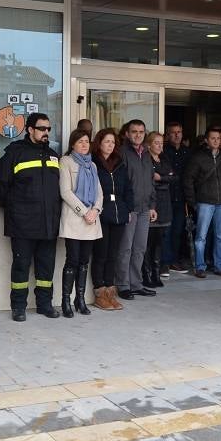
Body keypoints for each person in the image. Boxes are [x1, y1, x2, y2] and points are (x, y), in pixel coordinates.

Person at [0, 112, 62, 321]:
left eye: (48, 129)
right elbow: (0, 187)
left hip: (48, 223)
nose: (46, 133)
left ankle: (45, 304)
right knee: (21, 267)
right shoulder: (15, 153)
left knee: (46, 268)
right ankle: (18, 307)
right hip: (23, 224)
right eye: (42, 129)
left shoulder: (53, 155)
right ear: (30, 130)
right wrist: (17, 208)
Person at [58, 129, 103, 317]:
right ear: (73, 144)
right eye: (80, 141)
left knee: (84, 261)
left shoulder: (92, 164)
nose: (84, 145)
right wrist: (85, 212)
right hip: (74, 219)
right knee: (73, 260)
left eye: (87, 141)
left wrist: (95, 210)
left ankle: (80, 298)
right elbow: (65, 192)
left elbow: (99, 192)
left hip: (91, 221)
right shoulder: (66, 161)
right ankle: (66, 300)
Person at [183, 127, 221, 278]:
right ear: (206, 140)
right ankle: (200, 266)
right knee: (201, 236)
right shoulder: (198, 158)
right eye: (213, 138)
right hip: (204, 201)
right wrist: (193, 202)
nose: (216, 141)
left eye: (218, 138)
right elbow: (188, 180)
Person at [116, 119, 158, 302]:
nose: (138, 135)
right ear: (127, 133)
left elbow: (150, 181)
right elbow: (121, 183)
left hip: (144, 208)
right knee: (125, 248)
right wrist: (125, 207)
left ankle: (136, 284)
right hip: (130, 208)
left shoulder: (147, 154)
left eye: (141, 131)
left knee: (140, 248)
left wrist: (152, 205)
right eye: (134, 131)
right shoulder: (122, 153)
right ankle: (123, 285)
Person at [91, 129, 132, 310]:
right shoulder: (93, 163)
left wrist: (128, 209)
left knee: (113, 255)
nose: (110, 145)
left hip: (119, 214)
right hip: (101, 213)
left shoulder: (120, 164)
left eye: (113, 142)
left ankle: (110, 291)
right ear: (99, 143)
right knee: (101, 254)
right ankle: (100, 292)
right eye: (107, 141)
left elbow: (128, 188)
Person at [143, 131, 175, 288]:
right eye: (156, 143)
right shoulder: (146, 159)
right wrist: (164, 179)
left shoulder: (164, 158)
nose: (159, 146)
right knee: (148, 242)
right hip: (151, 203)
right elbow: (148, 181)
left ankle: (156, 273)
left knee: (159, 243)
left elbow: (173, 177)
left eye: (161, 143)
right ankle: (146, 274)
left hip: (165, 205)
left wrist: (161, 178)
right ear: (148, 144)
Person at [162, 122, 191, 274]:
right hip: (166, 196)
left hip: (181, 197)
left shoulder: (187, 152)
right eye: (173, 132)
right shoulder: (164, 151)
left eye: (179, 132)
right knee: (166, 231)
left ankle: (174, 260)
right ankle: (165, 262)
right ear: (168, 135)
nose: (177, 135)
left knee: (178, 231)